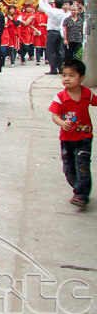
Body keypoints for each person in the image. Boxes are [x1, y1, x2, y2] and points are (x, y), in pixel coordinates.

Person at [49, 59, 96, 208]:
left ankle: (81, 195)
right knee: (69, 168)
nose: (66, 79)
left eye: (71, 75)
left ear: (81, 78)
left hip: (84, 137)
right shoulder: (60, 97)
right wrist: (62, 123)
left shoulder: (87, 94)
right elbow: (55, 116)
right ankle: (78, 189)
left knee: (82, 165)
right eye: (64, 75)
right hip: (67, 140)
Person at [39, 0, 71, 75]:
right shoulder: (63, 13)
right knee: (58, 51)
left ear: (54, 4)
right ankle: (60, 68)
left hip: (52, 32)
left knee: (51, 51)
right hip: (59, 32)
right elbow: (47, 6)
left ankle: (53, 69)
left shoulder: (53, 12)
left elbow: (43, 6)